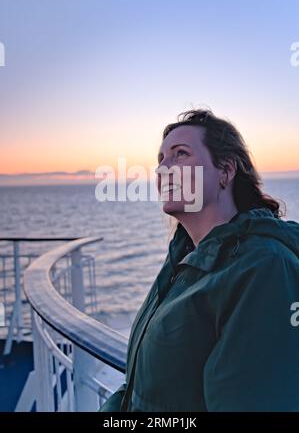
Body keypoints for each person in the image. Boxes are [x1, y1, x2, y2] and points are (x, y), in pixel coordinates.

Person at [99, 108, 299, 412]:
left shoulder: (263, 268)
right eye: (161, 159)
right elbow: (139, 388)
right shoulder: (183, 261)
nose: (163, 169)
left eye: (180, 154)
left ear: (226, 172)